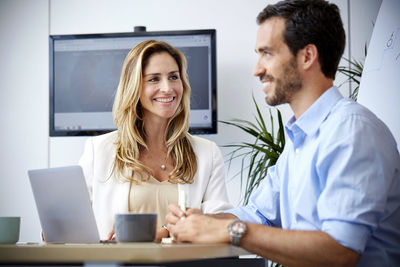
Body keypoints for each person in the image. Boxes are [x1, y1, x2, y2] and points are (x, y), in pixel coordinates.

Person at [166, 0, 400, 266]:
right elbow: (259, 214)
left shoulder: (352, 131)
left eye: (267, 53)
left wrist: (230, 231)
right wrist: (199, 222)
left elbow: (339, 251)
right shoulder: (301, 139)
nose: (257, 69)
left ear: (307, 56)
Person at [79, 40, 232, 241]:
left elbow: (221, 220)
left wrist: (166, 231)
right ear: (134, 86)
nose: (167, 88)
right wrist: (54, 231)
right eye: (153, 79)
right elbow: (73, 221)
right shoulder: (98, 150)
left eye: (173, 77)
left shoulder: (207, 153)